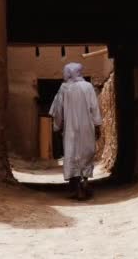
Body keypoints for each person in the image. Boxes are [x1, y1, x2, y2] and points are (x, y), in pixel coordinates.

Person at [49, 62, 102, 200]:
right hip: (87, 127)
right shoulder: (88, 87)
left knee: (73, 154)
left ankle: (77, 186)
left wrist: (57, 126)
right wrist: (97, 125)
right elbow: (94, 108)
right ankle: (85, 182)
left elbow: (58, 110)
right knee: (86, 152)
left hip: (70, 129)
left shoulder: (64, 88)